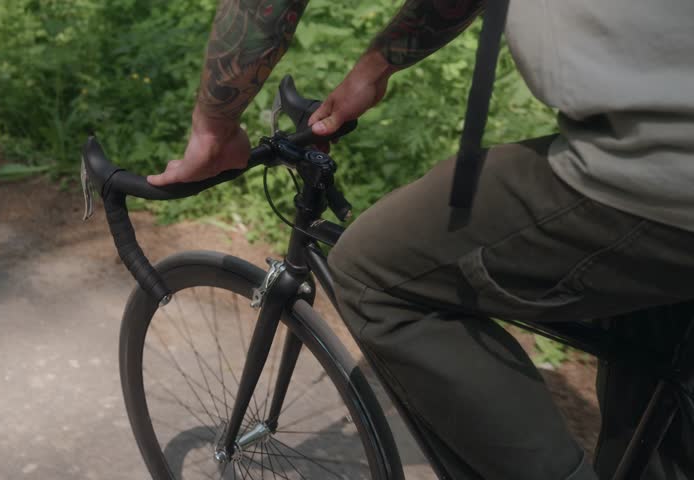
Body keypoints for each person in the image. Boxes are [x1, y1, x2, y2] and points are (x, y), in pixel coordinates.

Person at [148, 1, 694, 478]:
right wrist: (375, 65)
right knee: (652, 351)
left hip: (658, 168)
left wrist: (213, 130)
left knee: (372, 271)